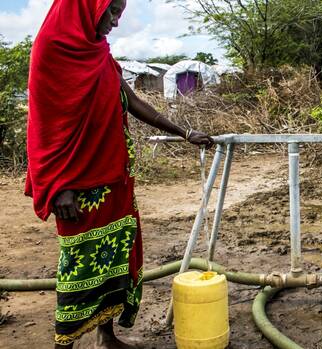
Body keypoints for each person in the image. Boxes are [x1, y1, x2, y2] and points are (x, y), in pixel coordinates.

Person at [25, 0, 214, 347]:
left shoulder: (99, 53)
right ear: (87, 7)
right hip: (75, 187)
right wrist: (56, 188)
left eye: (119, 14)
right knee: (79, 267)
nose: (114, 22)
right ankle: (63, 342)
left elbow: (133, 102)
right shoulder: (52, 48)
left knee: (117, 258)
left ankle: (105, 336)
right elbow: (44, 123)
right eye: (110, 12)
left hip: (114, 180)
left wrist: (184, 133)